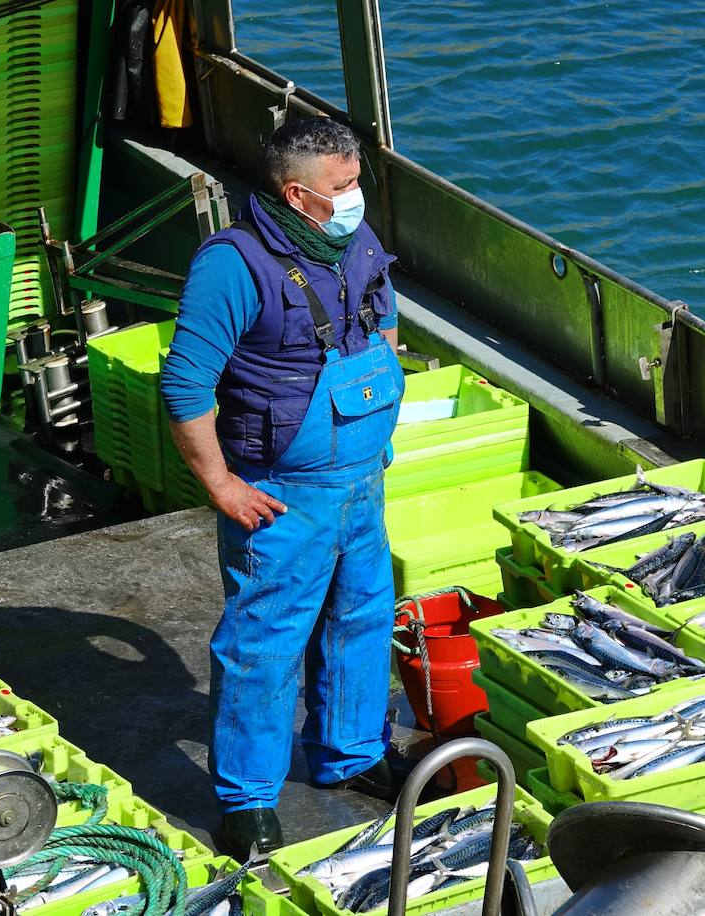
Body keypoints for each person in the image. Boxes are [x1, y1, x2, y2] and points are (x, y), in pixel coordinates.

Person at [160, 116, 408, 860]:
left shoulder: (352, 238)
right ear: (298, 195)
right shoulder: (231, 267)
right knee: (264, 644)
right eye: (343, 187)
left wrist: (379, 434)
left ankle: (352, 755)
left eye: (357, 180)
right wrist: (221, 485)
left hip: (361, 483)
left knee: (362, 617)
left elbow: (383, 319)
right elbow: (185, 384)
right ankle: (247, 799)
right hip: (282, 495)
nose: (357, 196)